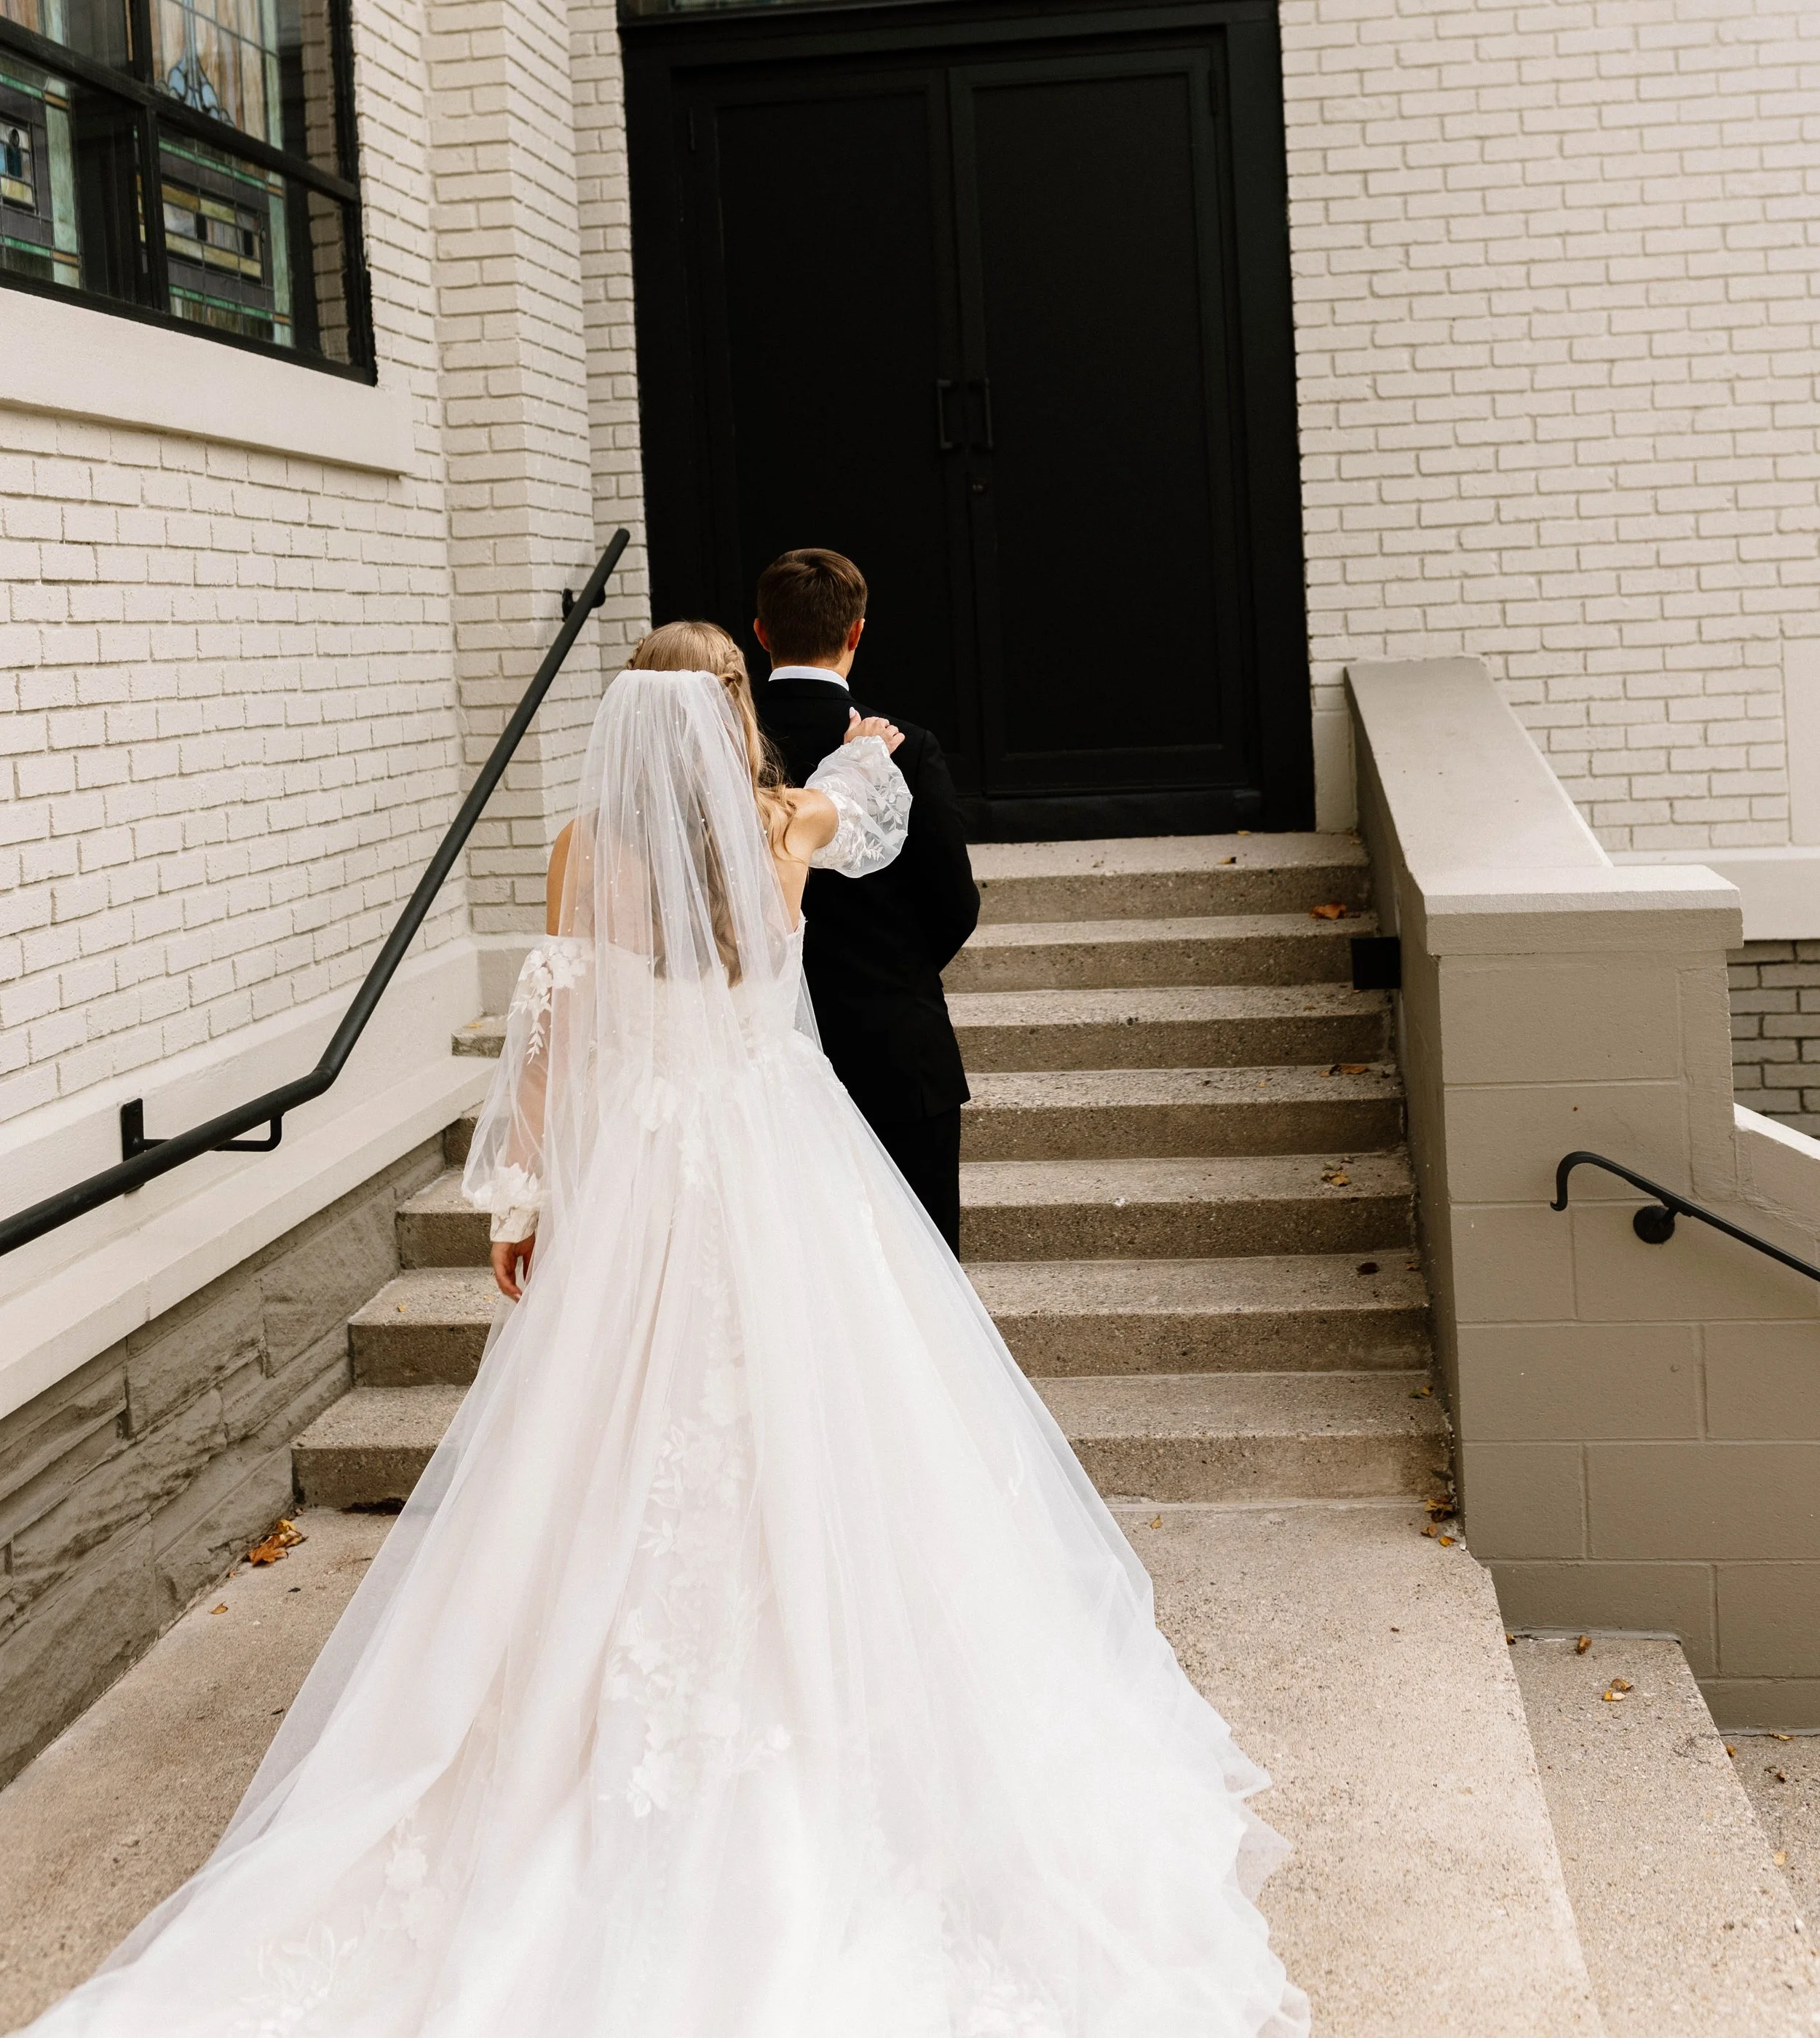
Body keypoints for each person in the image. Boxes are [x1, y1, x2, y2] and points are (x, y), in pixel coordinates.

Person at [25, 622, 1306, 2038]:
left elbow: (557, 1027)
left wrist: (524, 1200)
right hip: (778, 1174)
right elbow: (879, 818)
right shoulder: (784, 822)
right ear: (734, 716)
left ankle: (559, 1749)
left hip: (642, 1188)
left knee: (605, 1448)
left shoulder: (584, 853)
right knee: (826, 1432)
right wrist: (873, 751)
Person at [754, 545, 978, 1253]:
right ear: (856, 632)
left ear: (760, 633)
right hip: (894, 1048)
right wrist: (895, 977)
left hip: (764, 1053)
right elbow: (954, 905)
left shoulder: (722, 750)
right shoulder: (904, 747)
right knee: (922, 1270)